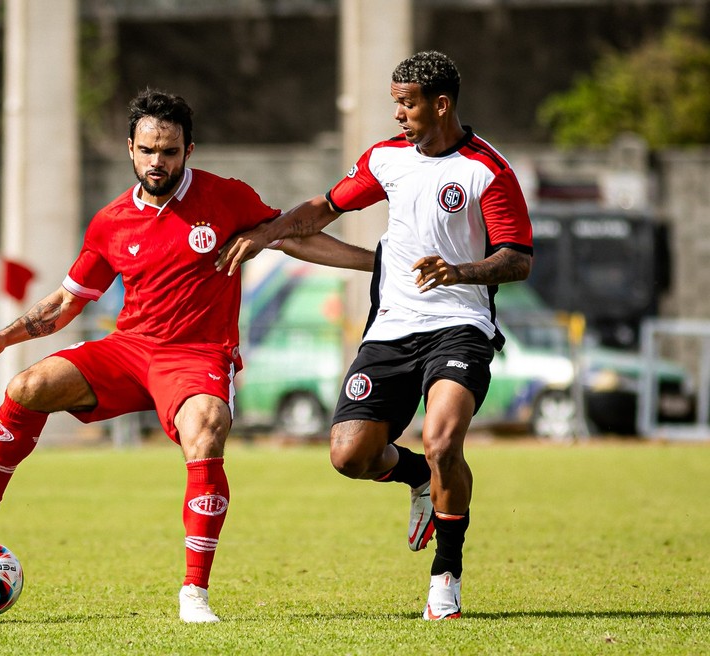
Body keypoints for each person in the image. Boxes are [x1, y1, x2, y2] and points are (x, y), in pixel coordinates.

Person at [0, 88, 375, 623]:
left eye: (171, 152)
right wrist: (6, 337)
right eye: (149, 150)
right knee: (27, 387)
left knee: (206, 425)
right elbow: (66, 302)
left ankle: (193, 594)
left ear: (189, 150)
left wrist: (375, 263)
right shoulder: (110, 222)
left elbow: (291, 237)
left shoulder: (226, 197)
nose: (159, 162)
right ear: (130, 149)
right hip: (131, 348)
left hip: (197, 353)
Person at [216, 51, 533, 620]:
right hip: (390, 329)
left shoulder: (489, 170)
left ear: (441, 105)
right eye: (395, 104)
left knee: (442, 441)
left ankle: (447, 575)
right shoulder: (386, 159)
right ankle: (416, 478)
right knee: (349, 455)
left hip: (460, 327)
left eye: (406, 105)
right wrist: (269, 233)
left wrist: (458, 271)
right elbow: (325, 207)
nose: (398, 116)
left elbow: (518, 260)